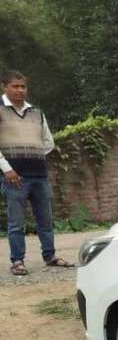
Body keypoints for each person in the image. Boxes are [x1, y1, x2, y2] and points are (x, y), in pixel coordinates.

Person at [1, 70, 73, 276]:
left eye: (23, 86)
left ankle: (50, 256)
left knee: (45, 220)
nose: (20, 90)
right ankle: (17, 261)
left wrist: (33, 154)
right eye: (15, 86)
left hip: (39, 175)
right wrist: (7, 168)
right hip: (14, 177)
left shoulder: (36, 112)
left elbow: (48, 141)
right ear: (4, 87)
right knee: (16, 222)